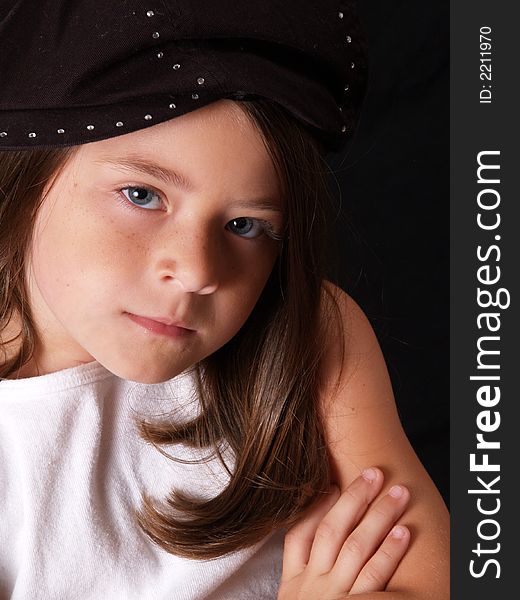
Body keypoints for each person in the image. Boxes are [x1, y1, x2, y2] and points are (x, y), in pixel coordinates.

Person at [0, 1, 449, 599]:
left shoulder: (311, 332)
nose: (195, 270)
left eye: (246, 226)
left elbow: (422, 576)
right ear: (29, 178)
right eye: (142, 194)